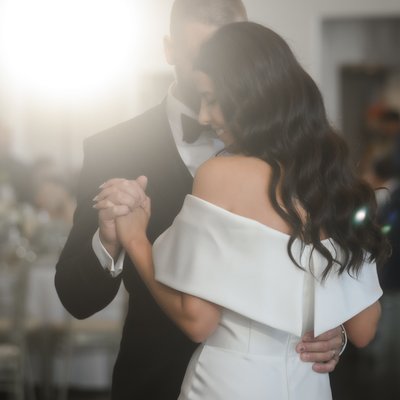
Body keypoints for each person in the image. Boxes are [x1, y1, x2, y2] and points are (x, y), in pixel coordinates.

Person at [55, 2, 346, 399]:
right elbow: (76, 297)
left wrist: (335, 329)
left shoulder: (298, 152)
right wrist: (109, 240)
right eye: (202, 56)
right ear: (170, 50)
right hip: (154, 378)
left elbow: (333, 264)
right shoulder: (113, 149)